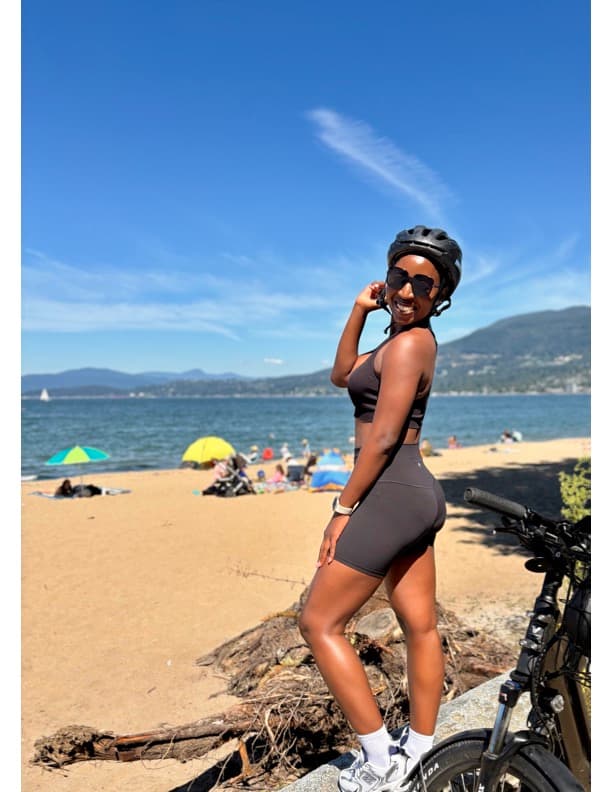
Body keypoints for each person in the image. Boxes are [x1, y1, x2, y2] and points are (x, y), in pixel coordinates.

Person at [299, 225, 462, 791]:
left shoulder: (414, 343)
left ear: (440, 297)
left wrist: (342, 508)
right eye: (400, 277)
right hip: (411, 493)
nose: (409, 290)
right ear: (386, 277)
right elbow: (341, 374)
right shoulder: (394, 340)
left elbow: (385, 437)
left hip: (393, 491)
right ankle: (418, 750)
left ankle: (379, 760)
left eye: (424, 283)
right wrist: (358, 311)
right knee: (419, 626)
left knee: (318, 621)